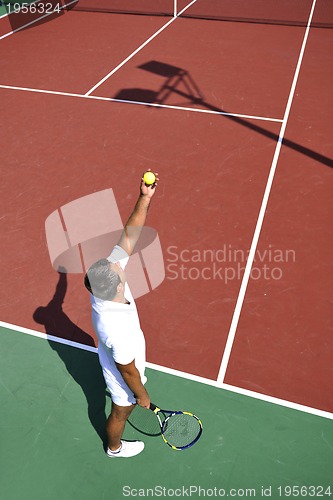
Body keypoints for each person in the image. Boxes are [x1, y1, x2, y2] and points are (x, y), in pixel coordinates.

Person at [84, 173, 158, 458]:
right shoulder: (117, 330)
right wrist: (141, 395)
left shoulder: (103, 284)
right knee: (121, 410)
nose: (121, 265)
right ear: (115, 286)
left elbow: (130, 234)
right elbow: (127, 370)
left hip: (120, 355)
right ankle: (113, 447)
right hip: (122, 372)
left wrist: (144, 197)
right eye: (119, 270)